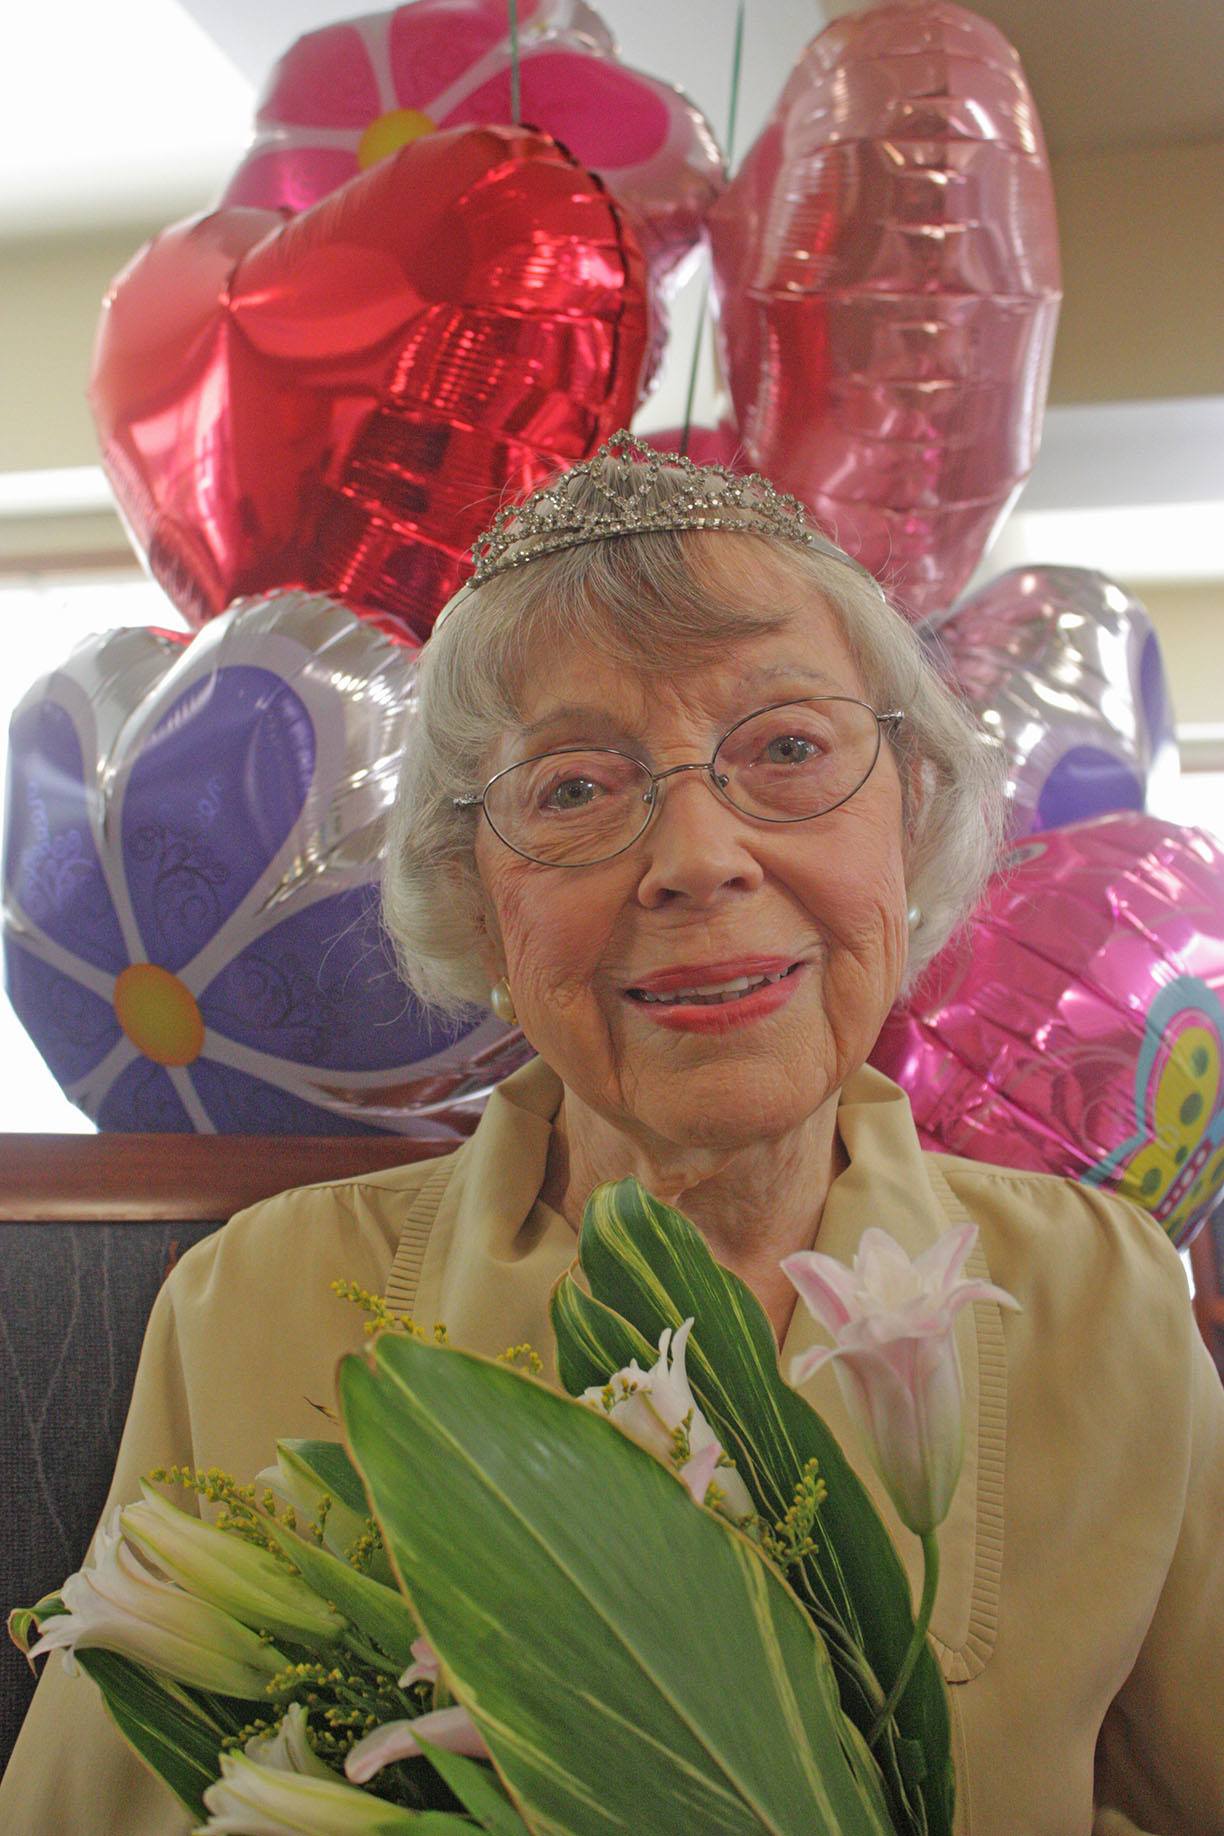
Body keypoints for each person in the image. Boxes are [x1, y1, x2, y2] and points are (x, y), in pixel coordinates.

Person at [2, 434, 1221, 1834]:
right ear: (477, 891)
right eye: (574, 787)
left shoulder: (1104, 1300)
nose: (700, 857)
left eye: (787, 749)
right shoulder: (255, 1304)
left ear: (914, 810)